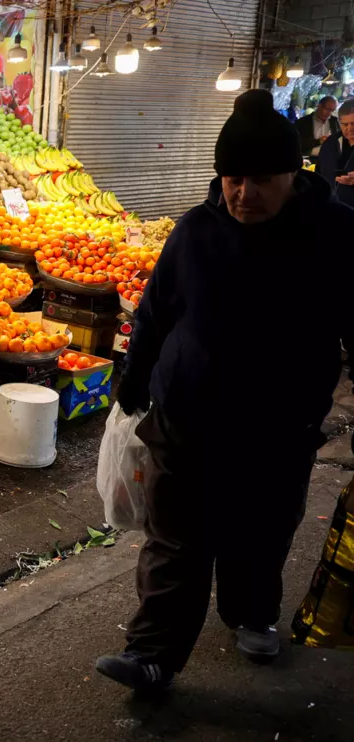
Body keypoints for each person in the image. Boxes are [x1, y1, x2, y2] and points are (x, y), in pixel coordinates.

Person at [97, 89, 354, 692]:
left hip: (278, 424)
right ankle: (152, 653)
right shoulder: (195, 231)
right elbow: (155, 315)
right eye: (233, 178)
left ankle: (253, 613)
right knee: (174, 539)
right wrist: (132, 386)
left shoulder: (335, 235)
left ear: (294, 173)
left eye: (262, 179)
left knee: (260, 527)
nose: (244, 193)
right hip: (185, 416)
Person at [316, 98, 354, 207]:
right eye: (345, 124)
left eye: (353, 123)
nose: (350, 128)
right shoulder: (330, 144)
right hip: (331, 209)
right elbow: (319, 175)